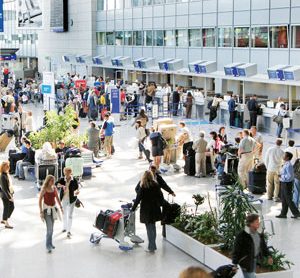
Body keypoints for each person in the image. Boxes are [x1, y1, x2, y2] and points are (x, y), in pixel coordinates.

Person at [131, 170, 164, 252]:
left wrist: (133, 209)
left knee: (149, 228)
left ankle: (151, 246)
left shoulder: (143, 186)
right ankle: (152, 245)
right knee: (153, 227)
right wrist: (160, 204)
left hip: (146, 210)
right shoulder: (156, 185)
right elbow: (161, 196)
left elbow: (138, 199)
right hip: (155, 208)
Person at [232, 214, 273, 278]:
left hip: (255, 260)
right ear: (251, 224)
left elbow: (263, 246)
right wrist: (235, 264)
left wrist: (269, 256)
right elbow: (236, 250)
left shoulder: (259, 233)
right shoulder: (242, 235)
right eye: (256, 221)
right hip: (246, 262)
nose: (258, 223)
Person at [39, 175, 63, 253]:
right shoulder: (44, 189)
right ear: (48, 181)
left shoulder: (54, 188)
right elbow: (40, 201)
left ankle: (50, 243)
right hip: (47, 210)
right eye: (51, 181)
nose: (53, 182)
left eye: (53, 181)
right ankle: (48, 246)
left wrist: (61, 207)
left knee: (51, 229)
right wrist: (41, 211)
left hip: (53, 209)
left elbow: (57, 198)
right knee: (49, 229)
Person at [56, 167, 79, 238]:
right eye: (65, 173)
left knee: (70, 215)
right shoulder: (62, 179)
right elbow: (56, 184)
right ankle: (64, 227)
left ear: (71, 173)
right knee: (64, 214)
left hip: (72, 199)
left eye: (68, 173)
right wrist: (62, 186)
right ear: (64, 173)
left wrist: (77, 192)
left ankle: (69, 231)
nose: (67, 175)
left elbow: (77, 188)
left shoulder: (74, 180)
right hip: (64, 199)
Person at [276, 152, 300, 219]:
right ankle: (283, 214)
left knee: (289, 199)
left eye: (284, 155)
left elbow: (290, 176)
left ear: (288, 157)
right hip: (284, 183)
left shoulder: (289, 165)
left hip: (287, 184)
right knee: (284, 199)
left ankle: (297, 213)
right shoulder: (285, 164)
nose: (283, 156)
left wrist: (281, 176)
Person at [0, 161, 14, 229]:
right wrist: (9, 197)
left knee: (9, 207)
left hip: (7, 194)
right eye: (6, 166)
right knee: (9, 208)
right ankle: (6, 222)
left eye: (8, 166)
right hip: (5, 195)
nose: (8, 167)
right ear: (3, 167)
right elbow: (4, 189)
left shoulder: (6, 174)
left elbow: (9, 185)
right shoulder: (3, 176)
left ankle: (4, 219)